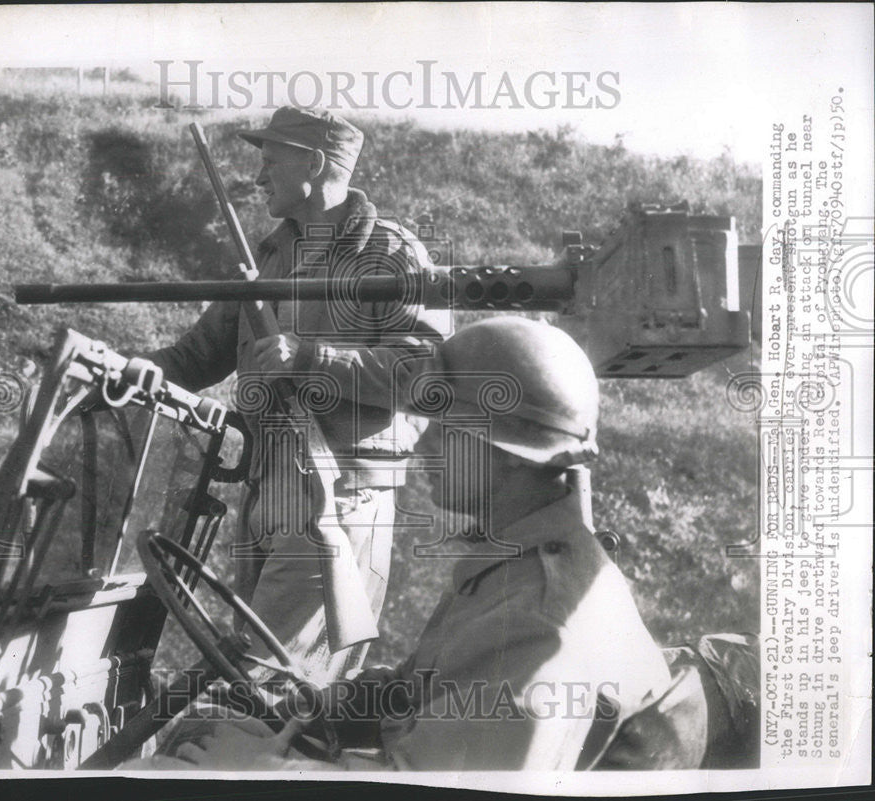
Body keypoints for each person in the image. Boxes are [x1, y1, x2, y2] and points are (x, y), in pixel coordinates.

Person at [130, 317, 729, 771]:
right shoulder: (514, 562)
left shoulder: (540, 624)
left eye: (444, 429)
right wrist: (313, 709)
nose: (422, 447)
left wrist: (265, 773)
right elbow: (423, 689)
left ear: (504, 451)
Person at [146, 106, 448, 684]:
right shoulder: (268, 260)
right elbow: (190, 359)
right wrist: (121, 370)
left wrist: (311, 358)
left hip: (339, 498)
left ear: (313, 163)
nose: (258, 179)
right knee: (283, 687)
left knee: (258, 678)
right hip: (266, 493)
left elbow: (427, 373)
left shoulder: (389, 253)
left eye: (270, 163)